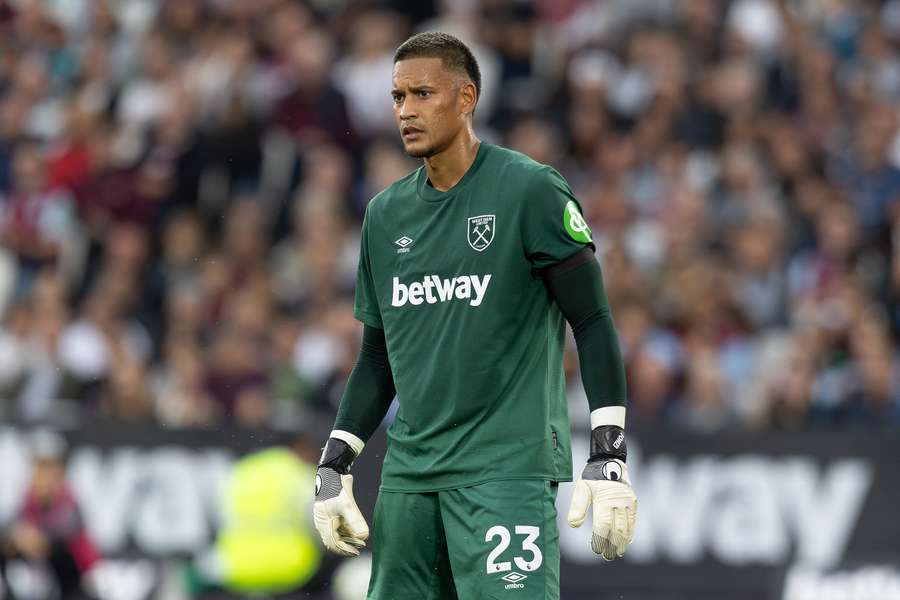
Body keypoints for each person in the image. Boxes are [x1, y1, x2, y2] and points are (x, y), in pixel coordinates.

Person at [312, 32, 637, 599]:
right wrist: (335, 463)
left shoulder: (529, 190)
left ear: (466, 99)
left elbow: (592, 321)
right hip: (411, 478)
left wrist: (608, 452)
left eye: (421, 93)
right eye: (396, 97)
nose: (406, 111)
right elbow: (376, 355)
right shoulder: (385, 217)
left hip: (505, 472)